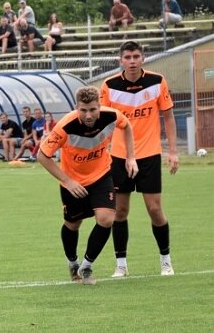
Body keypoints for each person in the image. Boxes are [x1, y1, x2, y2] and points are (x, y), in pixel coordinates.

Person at [37, 86, 137, 285]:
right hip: (73, 181)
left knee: (106, 218)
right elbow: (42, 155)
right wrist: (67, 181)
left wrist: (131, 157)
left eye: (92, 109)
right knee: (73, 224)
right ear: (77, 107)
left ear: (99, 106)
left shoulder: (112, 116)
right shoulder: (65, 126)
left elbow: (126, 127)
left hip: (101, 175)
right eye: (83, 110)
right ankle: (73, 263)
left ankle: (86, 266)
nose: (88, 114)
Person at [100, 40, 179, 277]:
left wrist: (173, 151)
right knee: (120, 212)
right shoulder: (109, 86)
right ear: (120, 60)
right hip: (119, 156)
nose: (132, 61)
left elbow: (168, 117)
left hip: (149, 155)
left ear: (143, 58)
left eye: (136, 56)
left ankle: (166, 260)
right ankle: (121, 265)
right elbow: (104, 124)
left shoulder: (157, 81)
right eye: (128, 57)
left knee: (155, 209)